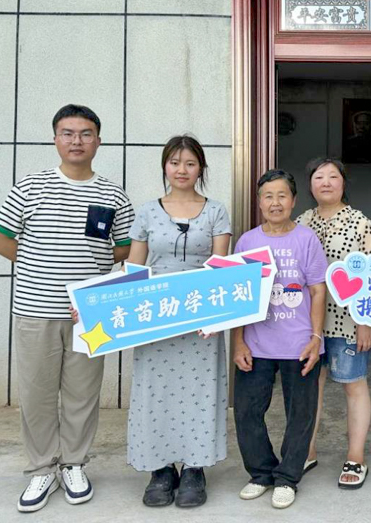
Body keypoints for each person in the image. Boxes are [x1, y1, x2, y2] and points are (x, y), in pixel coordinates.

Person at [0, 104, 134, 513]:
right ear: (55, 139)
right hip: (36, 309)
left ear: (98, 141)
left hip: (90, 313)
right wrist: (37, 262)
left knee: (82, 395)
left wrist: (96, 276)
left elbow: (125, 248)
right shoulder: (31, 187)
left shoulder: (112, 194)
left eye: (85, 134)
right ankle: (41, 468)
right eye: (68, 133)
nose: (76, 141)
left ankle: (74, 464)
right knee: (36, 393)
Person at [124, 135, 232, 508]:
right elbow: (133, 269)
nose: (181, 170)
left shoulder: (216, 211)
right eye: (174, 162)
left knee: (199, 392)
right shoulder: (146, 212)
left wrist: (216, 316)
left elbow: (220, 268)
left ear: (201, 168)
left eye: (189, 163)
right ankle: (160, 469)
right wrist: (97, 308)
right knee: (156, 391)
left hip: (201, 318)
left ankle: (194, 469)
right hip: (155, 318)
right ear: (165, 167)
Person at [232, 169, 328, 509]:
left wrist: (316, 337)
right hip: (256, 344)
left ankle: (287, 477)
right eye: (268, 196)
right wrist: (238, 342)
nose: (275, 203)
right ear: (259, 202)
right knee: (247, 411)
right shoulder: (247, 242)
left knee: (301, 414)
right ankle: (261, 473)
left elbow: (318, 290)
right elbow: (237, 295)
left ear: (293, 200)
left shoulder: (306, 239)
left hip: (299, 343)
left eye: (282, 195)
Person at [296, 157, 371, 489]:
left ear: (344, 182)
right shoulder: (302, 222)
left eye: (333, 176)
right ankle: (307, 450)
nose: (326, 182)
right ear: (310, 184)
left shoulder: (361, 223)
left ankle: (356, 456)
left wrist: (366, 320)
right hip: (307, 323)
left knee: (353, 383)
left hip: (348, 319)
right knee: (309, 386)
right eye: (319, 177)